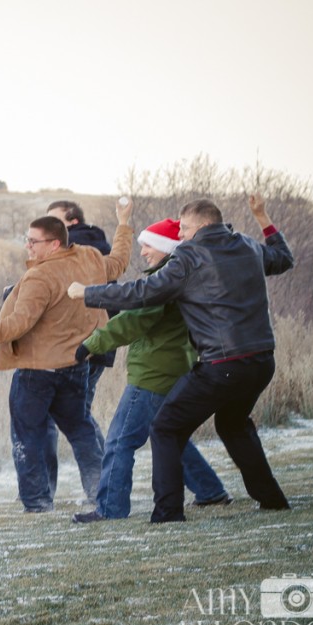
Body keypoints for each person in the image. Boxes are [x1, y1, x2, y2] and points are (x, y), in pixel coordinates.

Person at [68, 194, 293, 522]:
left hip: (223, 364)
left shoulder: (190, 254)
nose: (182, 234)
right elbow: (284, 258)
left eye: (185, 227)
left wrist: (87, 293)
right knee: (232, 425)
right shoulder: (247, 245)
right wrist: (262, 217)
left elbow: (142, 294)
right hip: (261, 361)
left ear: (203, 225)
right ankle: (271, 499)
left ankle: (168, 513)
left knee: (165, 429)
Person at [0, 199, 132, 512]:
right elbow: (120, 261)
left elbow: (17, 325)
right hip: (76, 365)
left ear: (55, 243)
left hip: (37, 372)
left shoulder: (39, 278)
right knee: (81, 429)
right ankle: (101, 490)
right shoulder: (89, 258)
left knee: (27, 435)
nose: (27, 246)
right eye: (27, 239)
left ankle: (37, 502)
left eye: (33, 242)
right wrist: (124, 222)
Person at [70, 218, 230, 524]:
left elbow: (134, 321)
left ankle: (111, 509)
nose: (143, 252)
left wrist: (93, 343)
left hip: (153, 372)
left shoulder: (165, 280)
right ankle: (210, 490)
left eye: (148, 245)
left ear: (168, 247)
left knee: (120, 441)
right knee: (168, 434)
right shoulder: (185, 275)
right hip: (174, 366)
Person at [42, 200, 114, 493]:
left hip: (82, 344)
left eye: (52, 221)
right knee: (77, 415)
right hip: (96, 342)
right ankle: (109, 477)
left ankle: (104, 483)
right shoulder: (93, 246)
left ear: (71, 222)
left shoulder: (76, 248)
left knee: (76, 417)